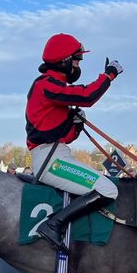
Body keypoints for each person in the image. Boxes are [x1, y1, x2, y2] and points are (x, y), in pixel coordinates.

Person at [25, 32, 123, 251]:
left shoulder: (54, 88)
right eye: (77, 59)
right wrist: (109, 75)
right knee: (108, 189)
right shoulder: (46, 85)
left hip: (57, 153)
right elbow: (87, 95)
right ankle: (53, 224)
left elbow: (65, 136)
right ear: (65, 60)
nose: (79, 65)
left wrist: (76, 124)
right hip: (49, 160)